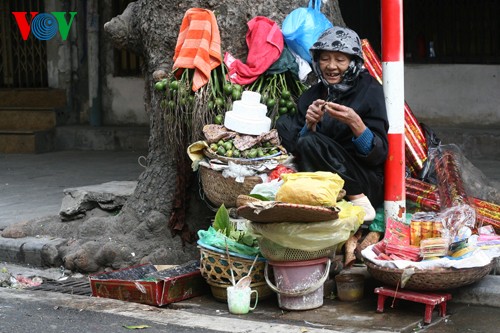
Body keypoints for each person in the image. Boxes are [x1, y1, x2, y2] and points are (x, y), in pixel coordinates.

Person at [276, 26, 389, 221]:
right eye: (325, 58)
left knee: (309, 142)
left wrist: (356, 124)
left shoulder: (370, 91)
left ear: (353, 63)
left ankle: (357, 199)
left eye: (340, 60)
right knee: (286, 126)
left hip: (364, 180)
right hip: (325, 178)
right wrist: (309, 125)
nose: (331, 66)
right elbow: (302, 146)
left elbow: (378, 156)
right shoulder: (312, 95)